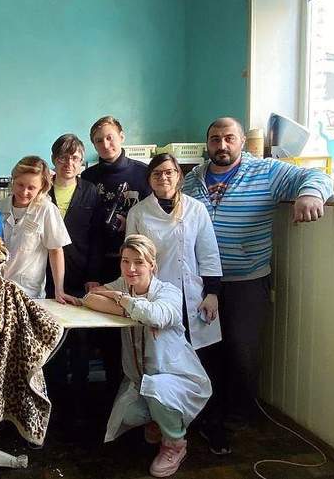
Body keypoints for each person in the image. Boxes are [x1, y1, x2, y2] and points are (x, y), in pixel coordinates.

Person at [183, 116, 333, 454]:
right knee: (205, 352)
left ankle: (234, 421)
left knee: (242, 352)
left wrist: (311, 195)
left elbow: (317, 175)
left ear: (241, 141)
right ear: (207, 143)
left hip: (246, 281)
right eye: (215, 139)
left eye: (229, 138)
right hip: (202, 284)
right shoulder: (192, 179)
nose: (222, 145)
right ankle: (209, 418)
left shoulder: (266, 171)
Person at [84, 234, 211, 478]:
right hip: (140, 378)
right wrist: (128, 306)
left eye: (139, 262)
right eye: (125, 261)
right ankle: (158, 421)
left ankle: (175, 444)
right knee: (128, 415)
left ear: (152, 264)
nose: (130, 268)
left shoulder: (169, 291)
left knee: (157, 390)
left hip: (177, 378)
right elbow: (91, 297)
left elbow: (157, 315)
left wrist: (119, 299)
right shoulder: (123, 284)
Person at [127, 152, 224, 450]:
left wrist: (212, 293)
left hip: (194, 299)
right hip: (158, 299)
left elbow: (208, 252)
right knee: (162, 365)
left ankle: (208, 424)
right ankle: (165, 424)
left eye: (169, 172)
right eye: (157, 173)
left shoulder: (196, 209)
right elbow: (132, 258)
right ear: (149, 180)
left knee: (201, 365)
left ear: (179, 176)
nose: (164, 178)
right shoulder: (139, 212)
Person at [81, 115, 152, 397]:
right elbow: (88, 232)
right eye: (98, 141)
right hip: (100, 264)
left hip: (136, 267)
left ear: (121, 136)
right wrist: (91, 274)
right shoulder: (88, 178)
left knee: (137, 332)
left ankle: (140, 395)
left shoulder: (143, 174)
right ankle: (111, 397)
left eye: (110, 137)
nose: (105, 144)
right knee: (107, 336)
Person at [43, 134, 103, 423]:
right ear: (54, 160)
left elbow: (97, 237)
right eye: (63, 157)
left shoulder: (90, 191)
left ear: (82, 163)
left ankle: (80, 405)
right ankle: (53, 401)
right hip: (45, 277)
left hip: (80, 276)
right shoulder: (42, 189)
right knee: (51, 340)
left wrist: (93, 276)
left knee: (80, 342)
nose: (69, 163)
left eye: (75, 158)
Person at [0, 156, 76, 304]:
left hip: (28, 293)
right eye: (20, 184)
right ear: (13, 180)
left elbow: (55, 250)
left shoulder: (46, 210)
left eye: (31, 188)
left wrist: (59, 289)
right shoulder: (0, 207)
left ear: (42, 187)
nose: (24, 191)